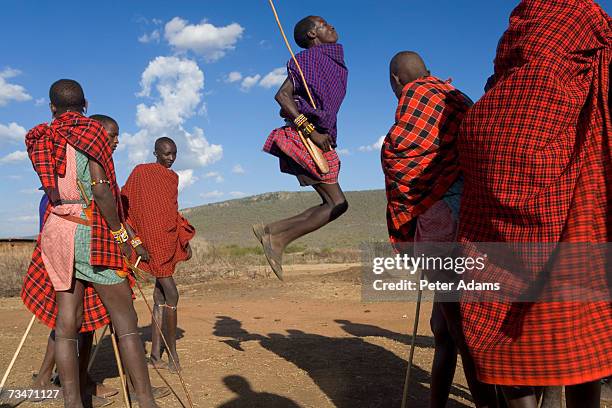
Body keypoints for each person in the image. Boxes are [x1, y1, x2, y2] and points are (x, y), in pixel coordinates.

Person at [456, 1, 611, 407]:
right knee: (577, 320)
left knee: (505, 321)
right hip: (574, 214)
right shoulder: (589, 45)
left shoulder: (488, 109)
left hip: (495, 222)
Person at [24, 79, 159, 407]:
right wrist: (120, 235)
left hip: (56, 228)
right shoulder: (90, 133)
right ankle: (145, 400)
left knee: (67, 320)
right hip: (88, 229)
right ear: (85, 104)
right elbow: (100, 189)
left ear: (52, 107)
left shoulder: (43, 136)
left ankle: (73, 402)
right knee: (125, 320)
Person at [381, 51, 496, 408]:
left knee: (463, 334)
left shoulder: (410, 110)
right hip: (478, 221)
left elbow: (398, 162)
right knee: (445, 328)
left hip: (441, 228)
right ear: (428, 72)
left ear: (396, 82)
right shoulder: (458, 100)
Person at [30, 114, 122, 405]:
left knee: (76, 321)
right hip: (72, 244)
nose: (113, 142)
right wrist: (122, 237)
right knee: (69, 322)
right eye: (109, 137)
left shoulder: (61, 168)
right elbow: (98, 200)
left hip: (68, 243)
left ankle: (74, 384)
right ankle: (53, 380)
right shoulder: (73, 181)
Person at [256, 15, 349, 280]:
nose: (331, 26)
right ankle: (275, 238)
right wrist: (309, 129)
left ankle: (273, 231)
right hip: (304, 136)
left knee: (334, 203)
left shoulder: (332, 62)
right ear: (312, 35)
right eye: (323, 24)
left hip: (319, 137)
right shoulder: (307, 60)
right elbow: (282, 96)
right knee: (337, 202)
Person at [121, 137, 195, 373]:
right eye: (165, 154)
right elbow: (124, 207)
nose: (171, 158)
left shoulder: (173, 178)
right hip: (150, 245)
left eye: (174, 153)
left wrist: (183, 241)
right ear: (155, 152)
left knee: (161, 297)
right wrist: (135, 241)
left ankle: (155, 355)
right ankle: (172, 355)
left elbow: (171, 212)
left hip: (167, 241)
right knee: (172, 293)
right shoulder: (141, 173)